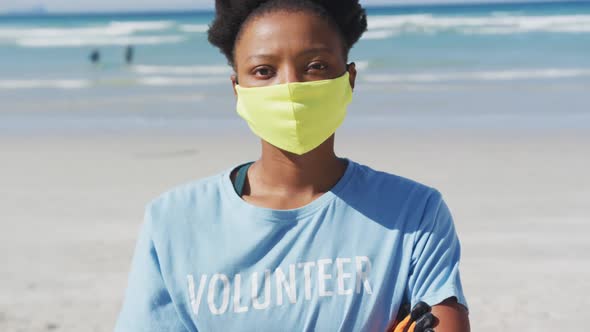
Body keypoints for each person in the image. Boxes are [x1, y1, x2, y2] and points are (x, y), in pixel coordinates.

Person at [115, 1, 470, 331]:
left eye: (315, 66)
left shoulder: (412, 212)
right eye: (264, 70)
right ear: (238, 89)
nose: (290, 87)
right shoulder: (174, 221)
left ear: (349, 79)